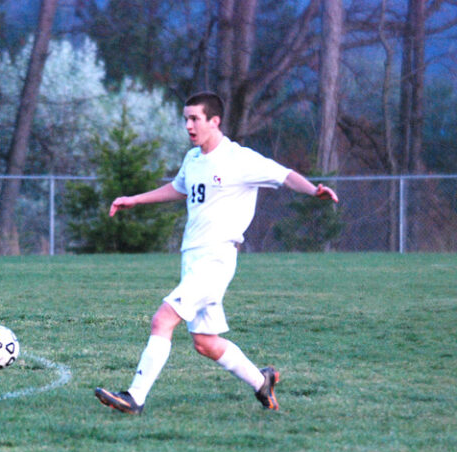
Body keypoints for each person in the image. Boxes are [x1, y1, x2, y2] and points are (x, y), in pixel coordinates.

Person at [94, 92, 339, 415]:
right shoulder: (193, 159)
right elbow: (179, 188)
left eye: (194, 119)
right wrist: (133, 199)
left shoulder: (239, 159)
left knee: (162, 319)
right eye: (185, 119)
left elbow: (284, 175)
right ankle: (261, 381)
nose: (188, 125)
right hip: (192, 258)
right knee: (205, 342)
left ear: (214, 121)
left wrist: (314, 189)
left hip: (216, 259)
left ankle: (135, 397)